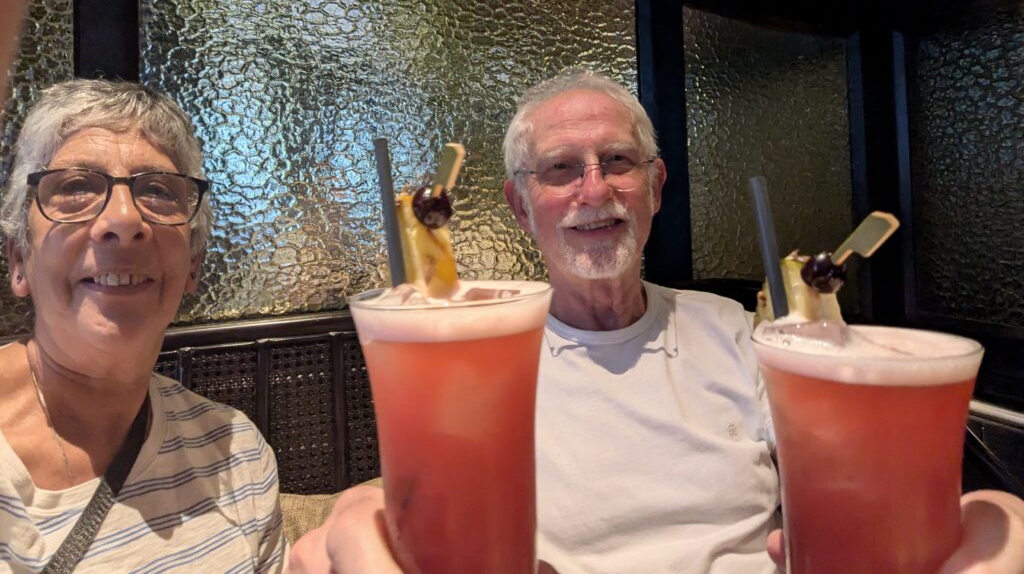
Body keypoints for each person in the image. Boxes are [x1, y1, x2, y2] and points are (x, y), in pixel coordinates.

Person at [287, 69, 1024, 574]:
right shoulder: (481, 354)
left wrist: (985, 523)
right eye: (560, 170)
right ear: (519, 207)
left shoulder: (740, 331)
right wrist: (356, 522)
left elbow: (863, 481)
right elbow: (419, 501)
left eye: (618, 160)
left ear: (656, 187)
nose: (595, 189)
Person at [0, 79, 287, 572]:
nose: (124, 219)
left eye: (157, 191)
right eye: (74, 187)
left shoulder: (237, 455)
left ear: (192, 264)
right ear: (18, 258)